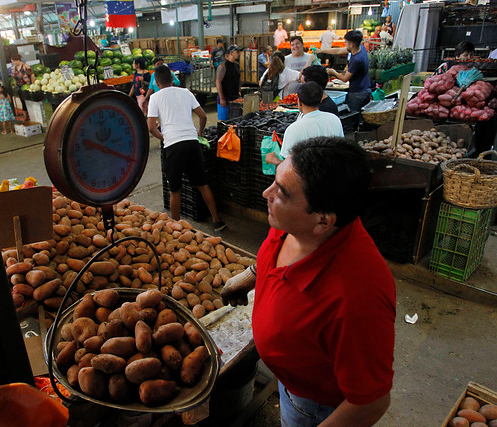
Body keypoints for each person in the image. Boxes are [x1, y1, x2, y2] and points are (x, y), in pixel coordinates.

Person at [221, 137, 396, 426]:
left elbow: (371, 402)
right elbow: (275, 251)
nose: (267, 193)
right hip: (290, 383)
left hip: (315, 408)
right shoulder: (295, 224)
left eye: (282, 193)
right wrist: (251, 276)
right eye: (273, 182)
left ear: (323, 221)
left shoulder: (356, 301)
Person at [147, 65, 226, 232]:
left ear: (157, 82)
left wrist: (164, 137)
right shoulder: (185, 92)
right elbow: (203, 116)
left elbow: (151, 127)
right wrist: (199, 132)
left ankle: (176, 228)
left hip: (173, 146)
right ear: (171, 79)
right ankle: (217, 220)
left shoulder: (155, 97)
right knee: (203, 184)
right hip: (192, 142)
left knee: (175, 190)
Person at [265, 82, 343, 166]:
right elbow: (342, 148)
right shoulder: (334, 119)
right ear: (321, 99)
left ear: (299, 101)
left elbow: (289, 167)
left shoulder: (294, 129)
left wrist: (274, 160)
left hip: (308, 177)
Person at [319, 30, 371, 119]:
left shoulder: (357, 60)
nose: (345, 43)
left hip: (357, 93)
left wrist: (333, 72)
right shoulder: (361, 48)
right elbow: (339, 50)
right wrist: (321, 50)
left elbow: (345, 78)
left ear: (351, 44)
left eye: (346, 42)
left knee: (354, 117)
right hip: (365, 88)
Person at [215, 45, 242, 121]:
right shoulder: (223, 66)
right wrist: (222, 98)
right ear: (231, 53)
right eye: (237, 52)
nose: (238, 54)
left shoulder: (237, 65)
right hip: (225, 98)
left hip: (235, 99)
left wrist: (239, 90)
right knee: (225, 121)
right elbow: (218, 82)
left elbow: (239, 79)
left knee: (235, 121)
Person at [9, 54, 34, 120]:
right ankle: (25, 116)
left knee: (29, 101)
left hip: (27, 86)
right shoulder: (14, 68)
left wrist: (33, 84)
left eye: (13, 61)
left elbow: (32, 75)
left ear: (17, 60)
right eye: (12, 61)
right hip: (19, 87)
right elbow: (12, 76)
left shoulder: (25, 67)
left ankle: (31, 115)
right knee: (22, 101)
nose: (13, 63)